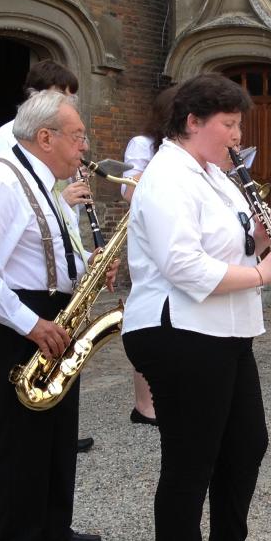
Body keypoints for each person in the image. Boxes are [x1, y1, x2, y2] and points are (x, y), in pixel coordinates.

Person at [121, 73, 271, 541]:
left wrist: (262, 241)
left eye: (238, 123)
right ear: (193, 122)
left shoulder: (214, 175)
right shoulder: (167, 176)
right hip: (179, 331)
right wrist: (264, 273)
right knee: (189, 461)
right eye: (229, 123)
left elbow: (230, 244)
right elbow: (182, 264)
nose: (237, 134)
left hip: (224, 327)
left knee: (246, 443)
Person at [0, 88, 101, 541]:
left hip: (53, 312)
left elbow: (51, 252)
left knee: (58, 431)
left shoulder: (44, 182)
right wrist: (31, 323)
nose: (85, 147)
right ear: (45, 137)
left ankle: (51, 527)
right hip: (16, 319)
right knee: (21, 437)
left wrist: (89, 270)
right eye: (78, 136)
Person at [119, 85, 176, 428]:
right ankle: (144, 404)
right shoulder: (143, 145)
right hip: (148, 233)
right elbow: (128, 190)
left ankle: (165, 393)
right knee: (147, 311)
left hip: (175, 231)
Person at [0, 59, 81, 162]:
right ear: (36, 94)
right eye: (61, 94)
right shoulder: (4, 139)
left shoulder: (59, 135)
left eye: (71, 98)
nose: (68, 103)